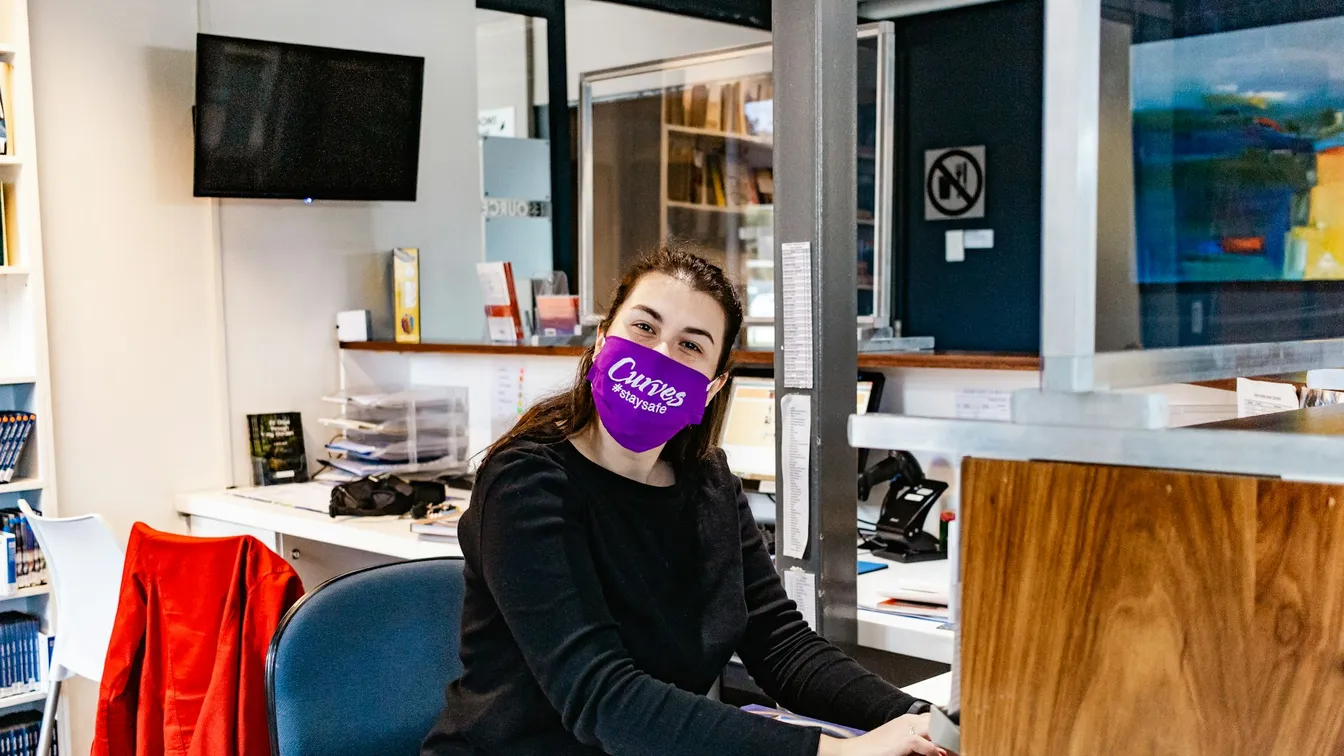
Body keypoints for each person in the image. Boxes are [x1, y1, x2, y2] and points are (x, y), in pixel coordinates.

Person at [422, 247, 946, 756]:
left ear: (712, 387)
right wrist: (835, 752)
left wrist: (922, 721)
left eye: (690, 346)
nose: (657, 356)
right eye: (644, 328)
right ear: (603, 338)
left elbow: (781, 645)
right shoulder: (526, 480)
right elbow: (602, 697)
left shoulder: (709, 483)